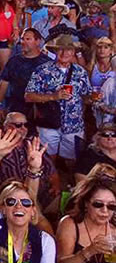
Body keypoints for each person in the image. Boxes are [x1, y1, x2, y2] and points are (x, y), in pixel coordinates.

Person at [25, 34, 91, 166]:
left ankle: (71, 185)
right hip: (48, 123)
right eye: (60, 49)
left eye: (68, 50)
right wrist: (53, 96)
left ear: (73, 52)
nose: (64, 53)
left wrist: (93, 98)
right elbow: (28, 96)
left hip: (74, 124)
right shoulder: (43, 70)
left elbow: (86, 95)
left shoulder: (80, 72)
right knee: (48, 159)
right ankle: (51, 185)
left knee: (73, 160)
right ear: (55, 51)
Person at [56, 177, 116, 263]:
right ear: (86, 204)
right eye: (98, 204)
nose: (105, 211)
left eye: (111, 206)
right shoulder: (70, 224)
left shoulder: (114, 228)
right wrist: (89, 251)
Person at [0, 27, 49, 117]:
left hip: (40, 111)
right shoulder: (14, 61)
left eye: (28, 39)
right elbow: (3, 83)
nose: (23, 42)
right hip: (15, 109)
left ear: (37, 41)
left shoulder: (47, 63)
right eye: (22, 39)